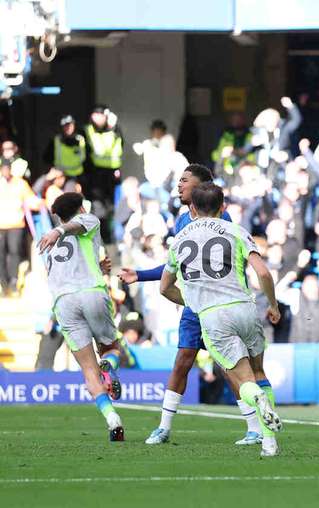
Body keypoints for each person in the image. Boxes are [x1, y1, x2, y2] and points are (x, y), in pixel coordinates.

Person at [118, 164, 266, 447]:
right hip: (194, 302)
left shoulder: (222, 217)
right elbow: (177, 262)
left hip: (222, 302)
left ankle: (253, 427)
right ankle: (163, 427)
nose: (179, 185)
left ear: (202, 186)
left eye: (185, 180)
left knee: (229, 365)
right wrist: (142, 274)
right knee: (183, 360)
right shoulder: (180, 221)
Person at [159, 182, 283, 457]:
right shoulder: (236, 230)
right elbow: (262, 272)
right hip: (244, 307)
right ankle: (269, 442)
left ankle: (257, 400)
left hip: (213, 316)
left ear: (192, 207)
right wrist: (272, 304)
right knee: (259, 372)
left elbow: (165, 287)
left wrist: (195, 302)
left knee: (243, 379)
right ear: (223, 206)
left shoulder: (179, 239)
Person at [37, 192, 124, 441]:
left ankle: (112, 419)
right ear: (81, 208)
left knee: (88, 369)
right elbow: (74, 227)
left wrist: (97, 267)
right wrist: (60, 231)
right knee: (111, 348)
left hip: (63, 301)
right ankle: (109, 366)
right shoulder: (88, 221)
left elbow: (64, 271)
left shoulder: (44, 243)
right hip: (91, 293)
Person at [0, 162, 36, 296]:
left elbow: (30, 198)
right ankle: (3, 284)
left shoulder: (20, 183)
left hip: (16, 223)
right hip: (1, 225)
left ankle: (14, 283)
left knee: (14, 252)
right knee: (1, 254)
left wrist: (42, 204)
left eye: (7, 169)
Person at [44, 115, 86, 184]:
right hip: (59, 175)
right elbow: (46, 158)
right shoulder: (56, 140)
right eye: (65, 126)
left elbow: (85, 160)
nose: (68, 128)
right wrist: (53, 170)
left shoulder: (81, 140)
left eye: (70, 125)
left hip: (77, 176)